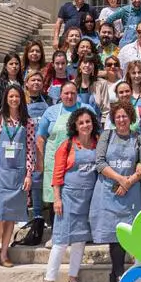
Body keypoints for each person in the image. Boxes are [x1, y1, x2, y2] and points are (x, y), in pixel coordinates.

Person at [92, 100, 141, 282]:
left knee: (128, 234)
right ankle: (117, 273)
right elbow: (100, 163)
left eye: (124, 116)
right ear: (113, 119)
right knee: (114, 235)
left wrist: (128, 183)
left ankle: (124, 274)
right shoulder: (106, 136)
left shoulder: (139, 138)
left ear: (130, 118)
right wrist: (120, 179)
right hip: (109, 192)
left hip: (131, 193)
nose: (122, 119)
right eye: (118, 117)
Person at [44, 107, 100, 282]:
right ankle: (49, 281)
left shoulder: (98, 143)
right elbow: (57, 174)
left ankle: (73, 278)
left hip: (88, 200)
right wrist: (57, 199)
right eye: (81, 122)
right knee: (60, 241)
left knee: (80, 240)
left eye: (88, 121)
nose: (85, 125)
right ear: (75, 126)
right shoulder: (67, 145)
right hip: (68, 199)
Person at [0, 83, 36, 267]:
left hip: (17, 174)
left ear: (22, 99)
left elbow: (30, 149)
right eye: (11, 96)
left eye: (17, 96)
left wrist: (29, 174)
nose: (14, 99)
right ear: (5, 98)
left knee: (11, 216)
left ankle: (4, 253)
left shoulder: (28, 122)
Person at [37, 82, 96, 218]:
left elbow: (96, 133)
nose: (69, 96)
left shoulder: (86, 109)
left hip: (80, 162)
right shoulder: (51, 111)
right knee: (55, 199)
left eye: (73, 93)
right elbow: (40, 137)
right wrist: (40, 161)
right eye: (66, 93)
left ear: (77, 94)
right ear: (60, 95)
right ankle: (56, 226)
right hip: (54, 161)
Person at [25, 71, 52, 222]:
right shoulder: (21, 100)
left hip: (45, 145)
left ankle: (41, 212)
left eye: (39, 80)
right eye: (33, 80)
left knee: (41, 179)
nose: (36, 82)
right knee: (29, 179)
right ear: (26, 83)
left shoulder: (48, 100)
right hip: (26, 145)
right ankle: (31, 213)